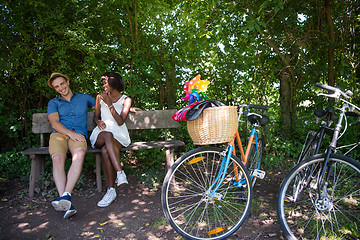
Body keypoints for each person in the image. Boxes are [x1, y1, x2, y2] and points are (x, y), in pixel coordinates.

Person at [47, 72, 96, 219]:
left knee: (79, 154)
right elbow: (55, 123)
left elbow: (104, 107)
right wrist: (70, 133)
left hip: (78, 134)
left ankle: (65, 198)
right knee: (57, 159)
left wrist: (128, 108)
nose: (60, 88)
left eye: (62, 83)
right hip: (59, 135)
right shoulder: (53, 103)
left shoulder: (84, 98)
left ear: (67, 81)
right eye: (57, 87)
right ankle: (66, 201)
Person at [89, 72, 133, 207]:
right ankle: (120, 173)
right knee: (107, 135)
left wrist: (109, 104)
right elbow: (95, 117)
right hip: (102, 133)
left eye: (106, 83)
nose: (104, 86)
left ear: (114, 83)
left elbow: (120, 122)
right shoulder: (99, 97)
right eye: (103, 83)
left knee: (105, 151)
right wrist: (98, 122)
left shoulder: (126, 100)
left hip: (119, 134)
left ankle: (111, 190)